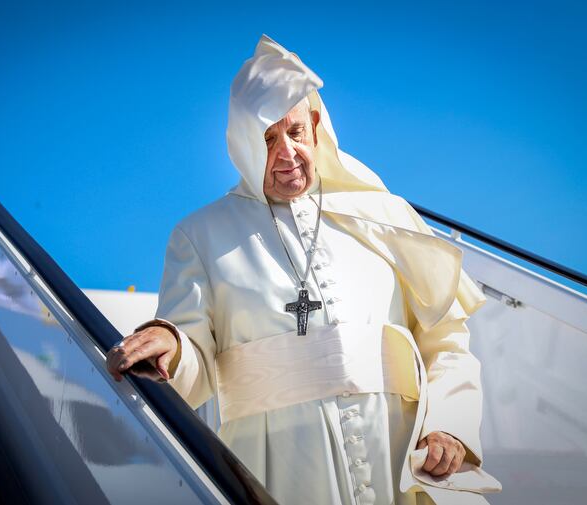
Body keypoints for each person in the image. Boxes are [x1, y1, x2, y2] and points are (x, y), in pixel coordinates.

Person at [107, 35, 501, 505]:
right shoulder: (201, 236)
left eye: (295, 132)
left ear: (315, 125)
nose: (288, 153)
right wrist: (169, 343)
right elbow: (193, 355)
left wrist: (450, 426)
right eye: (268, 140)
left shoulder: (386, 219)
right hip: (278, 469)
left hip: (399, 457)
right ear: (243, 146)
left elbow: (446, 339)